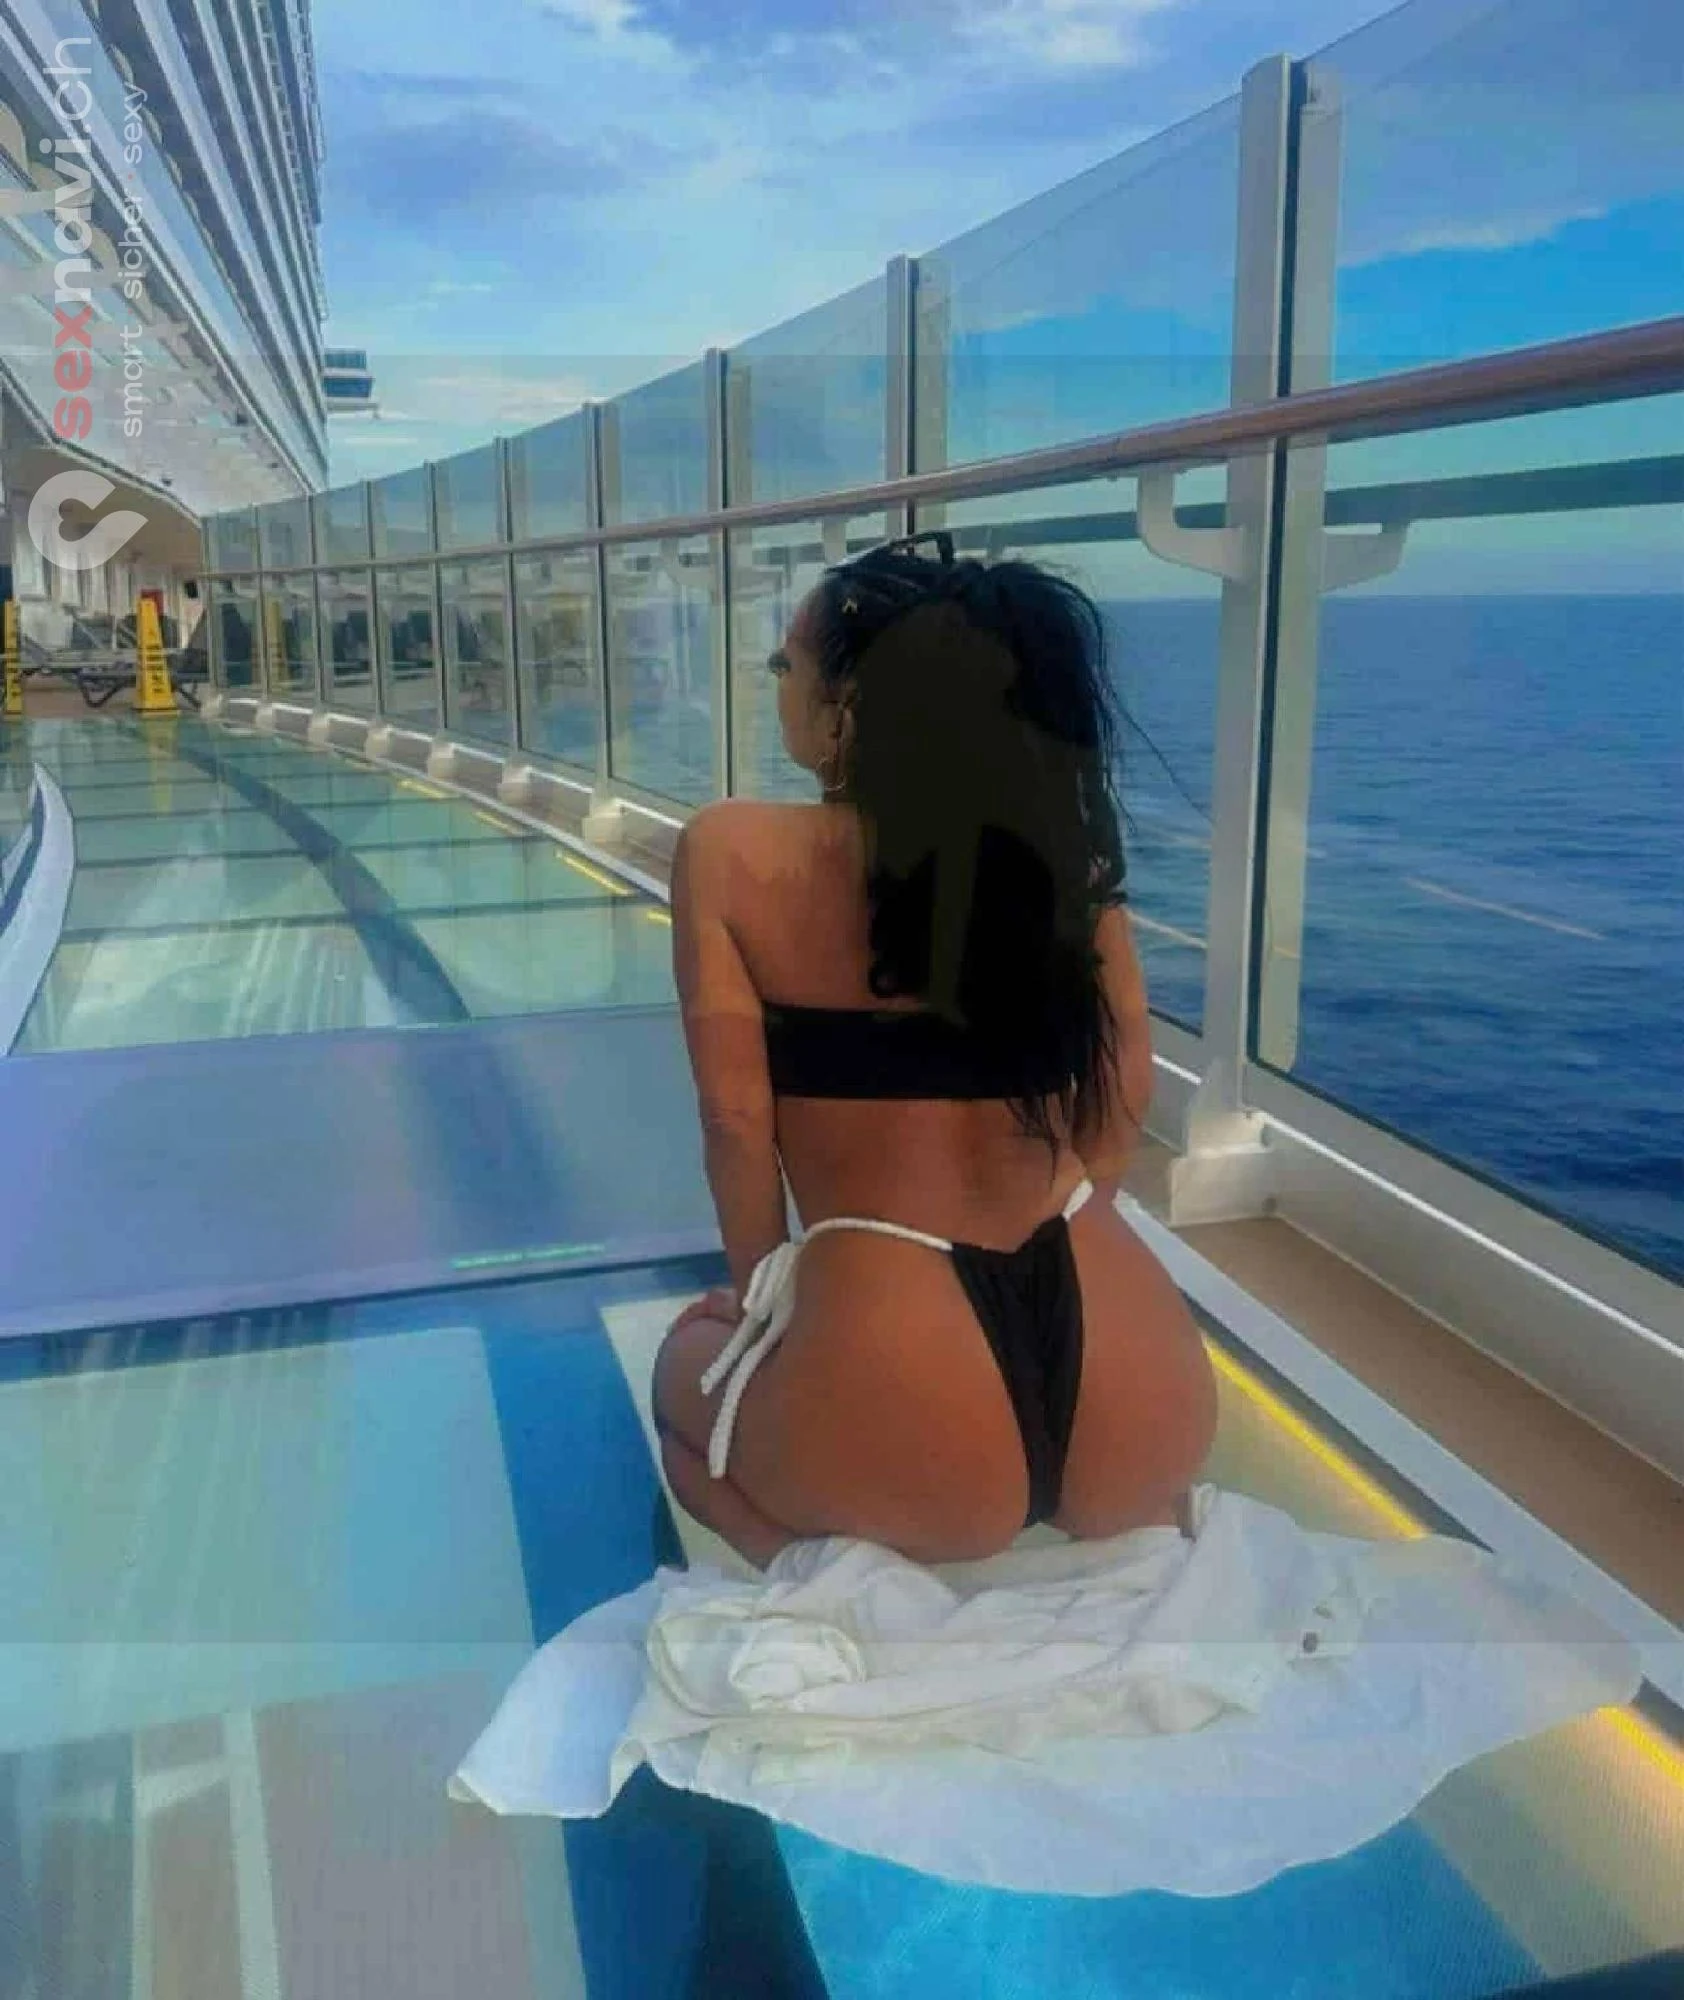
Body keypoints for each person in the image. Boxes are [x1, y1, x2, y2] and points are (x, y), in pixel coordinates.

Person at [652, 534, 1217, 1570]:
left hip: (899, 1363)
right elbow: (1122, 1092)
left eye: (786, 664)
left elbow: (734, 1123)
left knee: (682, 1385)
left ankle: (851, 1590)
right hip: (1132, 1365)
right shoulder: (1057, 853)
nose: (775, 682)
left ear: (845, 711)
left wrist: (767, 1308)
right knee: (1105, 1468)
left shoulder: (729, 852)